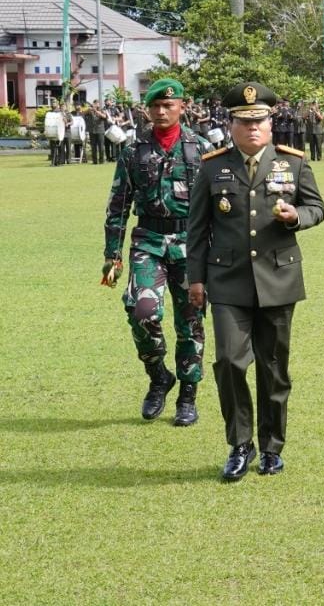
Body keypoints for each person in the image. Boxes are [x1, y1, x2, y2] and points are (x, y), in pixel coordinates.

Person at [187, 81, 324, 482]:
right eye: (243, 122)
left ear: (271, 123)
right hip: (227, 280)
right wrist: (195, 280)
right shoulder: (213, 166)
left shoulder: (293, 163)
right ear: (231, 125)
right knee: (229, 362)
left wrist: (296, 217)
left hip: (278, 278)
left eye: (259, 121)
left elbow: (317, 206)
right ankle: (240, 444)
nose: (252, 128)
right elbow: (198, 229)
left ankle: (271, 448)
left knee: (273, 368)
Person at [101, 78, 211, 426]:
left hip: (191, 246)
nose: (161, 111)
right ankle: (159, 376)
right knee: (142, 312)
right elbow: (119, 204)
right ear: (147, 110)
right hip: (148, 241)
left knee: (190, 321)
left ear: (182, 106)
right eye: (155, 106)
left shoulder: (202, 148)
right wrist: (112, 254)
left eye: (169, 105)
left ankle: (188, 396)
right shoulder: (134, 150)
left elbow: (218, 205)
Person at [84, 100, 105, 165]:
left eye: (97, 103)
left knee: (101, 146)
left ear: (99, 104)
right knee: (93, 147)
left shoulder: (102, 110)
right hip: (92, 131)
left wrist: (96, 111)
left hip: (100, 130)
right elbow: (83, 113)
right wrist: (90, 109)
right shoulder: (90, 111)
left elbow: (104, 116)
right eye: (95, 103)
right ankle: (94, 161)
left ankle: (101, 160)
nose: (96, 105)